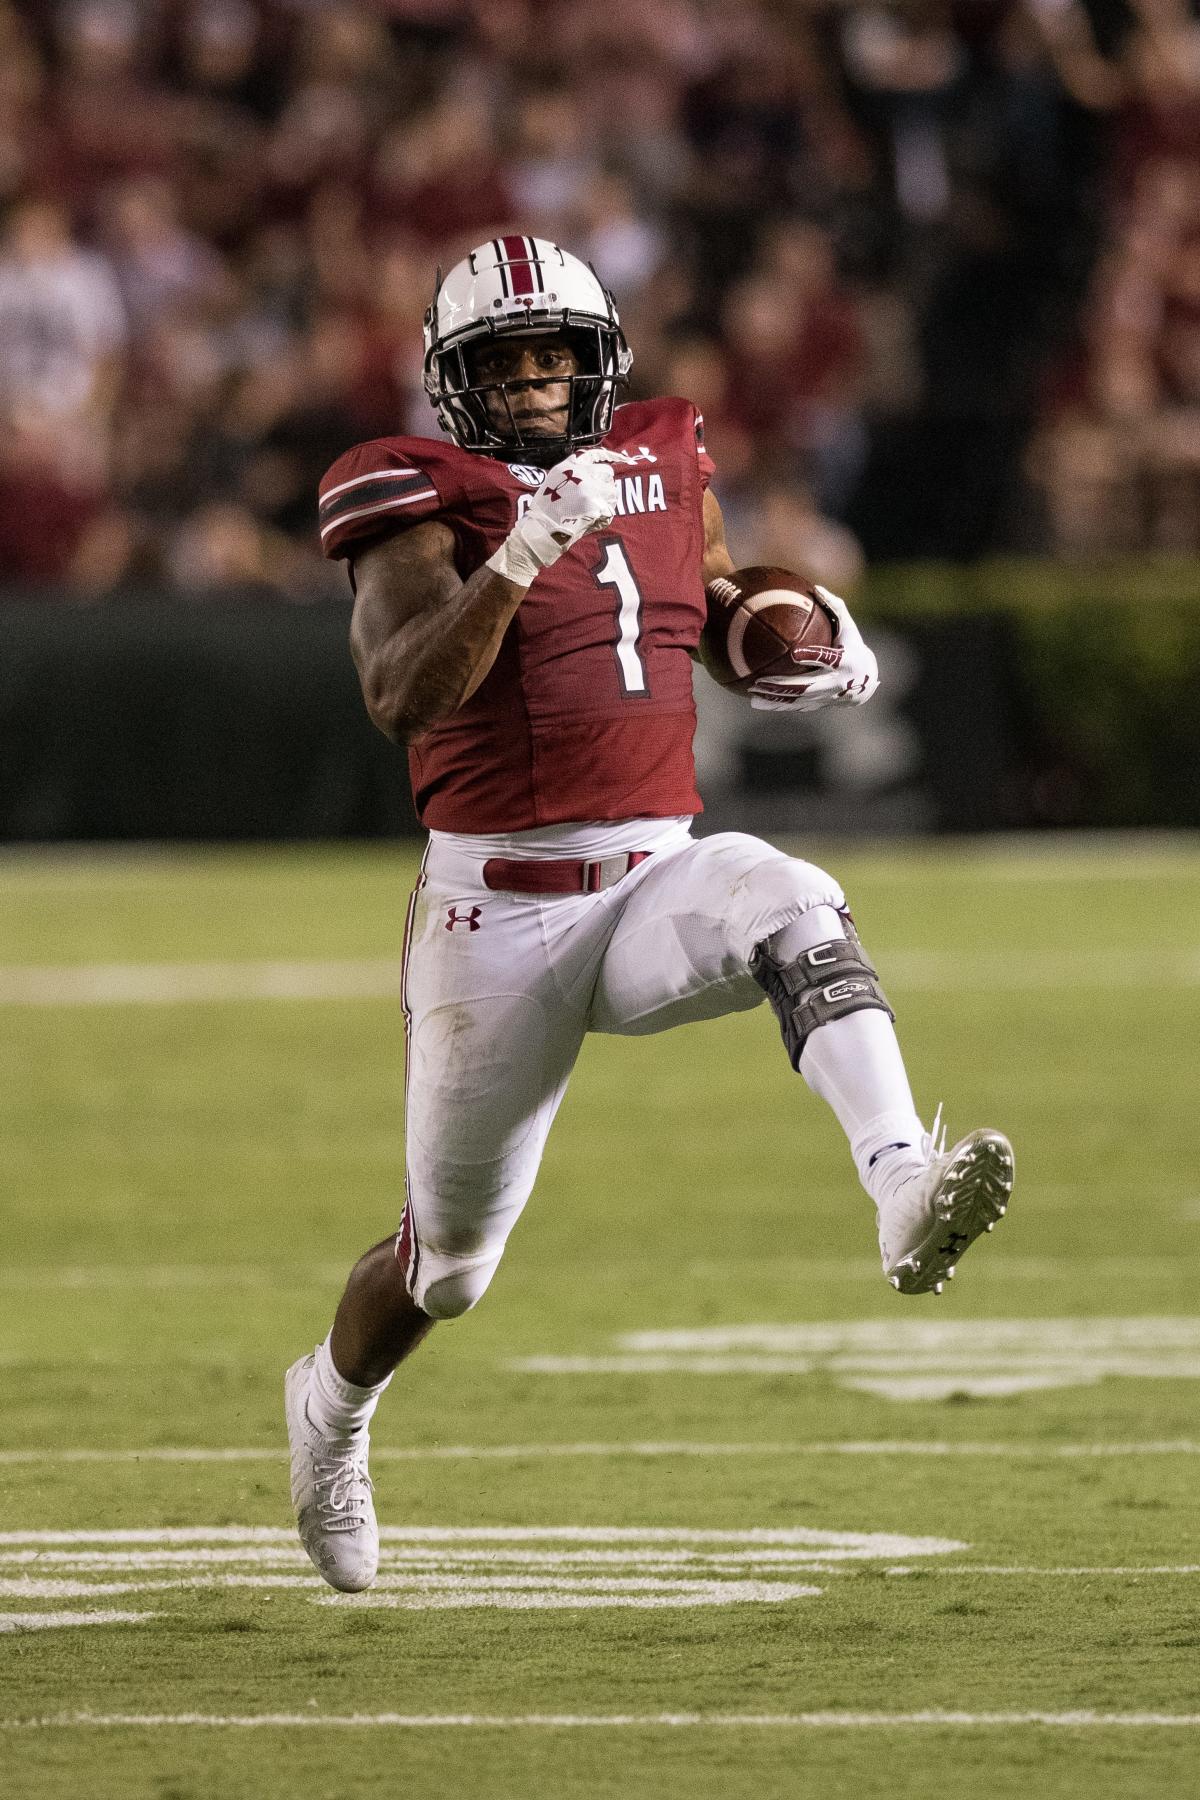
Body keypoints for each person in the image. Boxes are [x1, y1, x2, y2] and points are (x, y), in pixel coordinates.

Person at [285, 235, 1014, 1594]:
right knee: (448, 1273)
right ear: (458, 383)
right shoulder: (408, 491)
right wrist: (514, 562)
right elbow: (400, 694)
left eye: (559, 356)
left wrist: (805, 639)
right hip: (491, 913)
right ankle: (330, 1414)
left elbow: (712, 605)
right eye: (507, 364)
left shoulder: (670, 449)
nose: (540, 385)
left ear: (602, 355)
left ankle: (904, 1187)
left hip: (651, 871)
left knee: (797, 896)